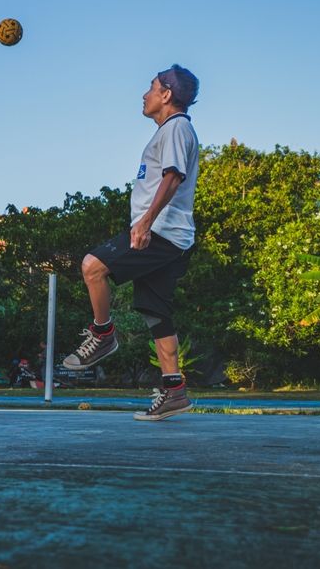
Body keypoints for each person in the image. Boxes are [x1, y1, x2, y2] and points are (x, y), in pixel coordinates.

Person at [62, 64, 200, 421]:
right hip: (174, 237)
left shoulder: (176, 127)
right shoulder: (173, 131)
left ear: (167, 94)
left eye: (151, 87)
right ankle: (174, 390)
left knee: (92, 266)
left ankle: (103, 333)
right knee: (157, 314)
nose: (145, 93)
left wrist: (145, 223)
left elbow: (172, 178)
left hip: (162, 232)